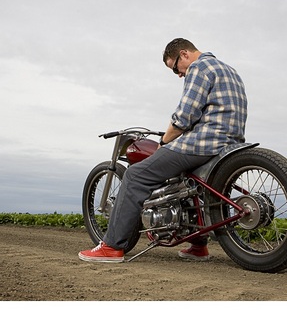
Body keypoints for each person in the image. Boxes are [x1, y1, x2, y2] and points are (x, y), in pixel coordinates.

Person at [78, 38, 248, 263]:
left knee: (135, 175)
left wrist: (165, 141)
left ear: (184, 54)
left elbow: (185, 115)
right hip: (231, 143)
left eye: (175, 68)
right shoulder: (230, 70)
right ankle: (198, 246)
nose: (178, 75)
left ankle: (111, 247)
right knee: (187, 185)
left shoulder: (199, 67)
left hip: (203, 143)